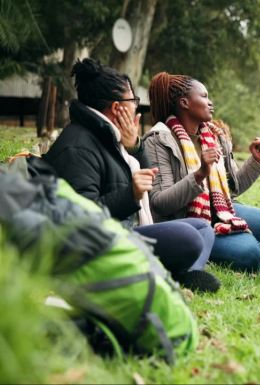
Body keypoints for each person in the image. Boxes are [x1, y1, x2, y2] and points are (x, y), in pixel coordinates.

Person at [44, 58, 219, 292]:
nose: (136, 106)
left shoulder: (111, 138)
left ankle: (180, 278)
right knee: (189, 238)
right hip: (101, 245)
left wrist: (136, 146)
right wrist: (130, 194)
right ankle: (167, 279)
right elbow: (80, 219)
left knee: (203, 228)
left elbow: (150, 178)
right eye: (133, 100)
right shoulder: (78, 147)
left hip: (126, 231)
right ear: (117, 108)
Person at [143, 71, 260, 273]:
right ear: (184, 103)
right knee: (251, 254)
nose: (210, 102)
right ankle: (246, 250)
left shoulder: (212, 136)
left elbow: (232, 190)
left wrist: (256, 161)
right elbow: (160, 204)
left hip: (220, 211)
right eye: (204, 96)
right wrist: (200, 173)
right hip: (186, 223)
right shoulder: (158, 140)